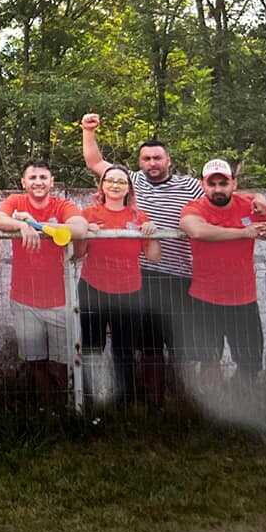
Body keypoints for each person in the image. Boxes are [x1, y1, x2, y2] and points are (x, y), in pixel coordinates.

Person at [81, 113, 203, 402]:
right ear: (139, 163)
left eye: (157, 158)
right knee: (146, 345)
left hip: (178, 275)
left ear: (168, 160)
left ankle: (184, 401)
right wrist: (88, 131)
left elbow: (218, 200)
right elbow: (95, 162)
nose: (152, 163)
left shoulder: (189, 186)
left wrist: (259, 206)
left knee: (180, 343)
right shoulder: (130, 180)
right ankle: (151, 401)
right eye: (146, 159)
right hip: (141, 275)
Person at [0, 161, 88, 408]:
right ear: (23, 182)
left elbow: (80, 228)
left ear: (51, 182)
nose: (38, 182)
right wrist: (21, 224)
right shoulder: (16, 201)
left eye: (43, 177)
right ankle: (46, 412)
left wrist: (36, 225)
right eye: (32, 178)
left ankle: (64, 410)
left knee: (60, 363)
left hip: (60, 301)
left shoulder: (62, 205)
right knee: (35, 362)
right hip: (24, 300)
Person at [179, 159, 266, 390]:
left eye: (223, 183)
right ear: (202, 184)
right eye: (212, 184)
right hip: (205, 299)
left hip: (244, 299)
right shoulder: (194, 207)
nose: (218, 189)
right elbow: (196, 230)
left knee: (249, 364)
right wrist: (245, 232)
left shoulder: (249, 205)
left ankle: (241, 402)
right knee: (209, 360)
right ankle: (213, 405)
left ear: (234, 183)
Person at [73, 165, 160, 407]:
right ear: (102, 186)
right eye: (109, 180)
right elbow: (78, 254)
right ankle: (90, 401)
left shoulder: (139, 217)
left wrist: (151, 234)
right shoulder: (88, 214)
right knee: (92, 347)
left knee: (125, 350)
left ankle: (123, 404)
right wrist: (85, 233)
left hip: (129, 292)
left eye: (121, 181)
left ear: (128, 188)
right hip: (93, 289)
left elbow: (153, 256)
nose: (114, 185)